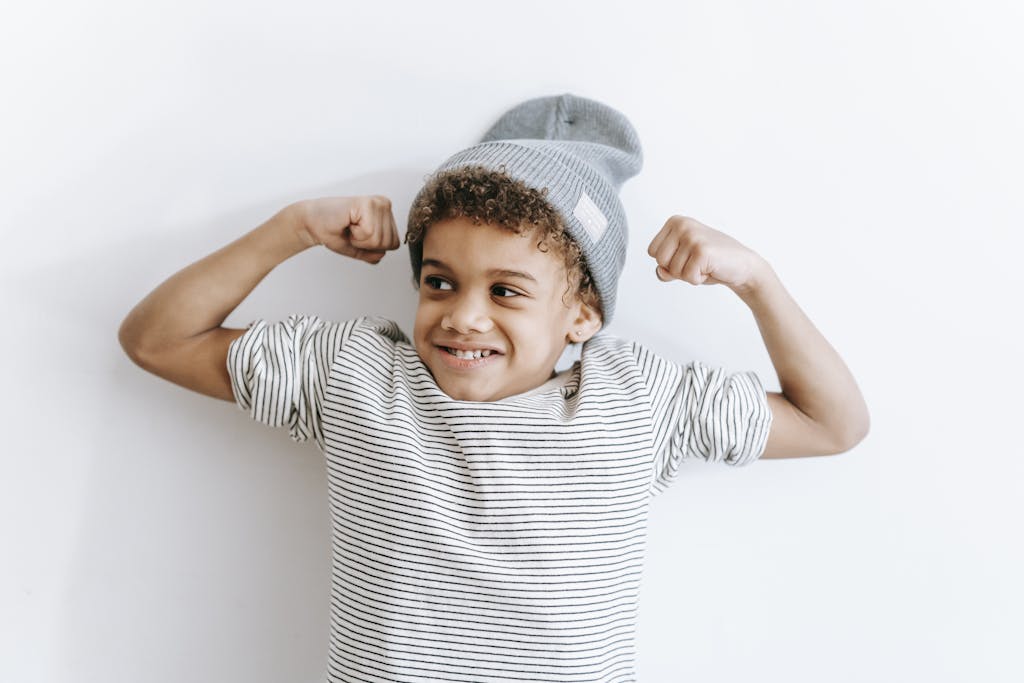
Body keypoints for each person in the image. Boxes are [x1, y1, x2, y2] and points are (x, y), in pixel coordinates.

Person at [119, 93, 869, 682]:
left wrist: (756, 281)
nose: (462, 315)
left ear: (583, 313)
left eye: (506, 290)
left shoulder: (639, 399)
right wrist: (291, 228)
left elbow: (834, 423)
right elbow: (155, 339)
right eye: (439, 281)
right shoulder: (355, 376)